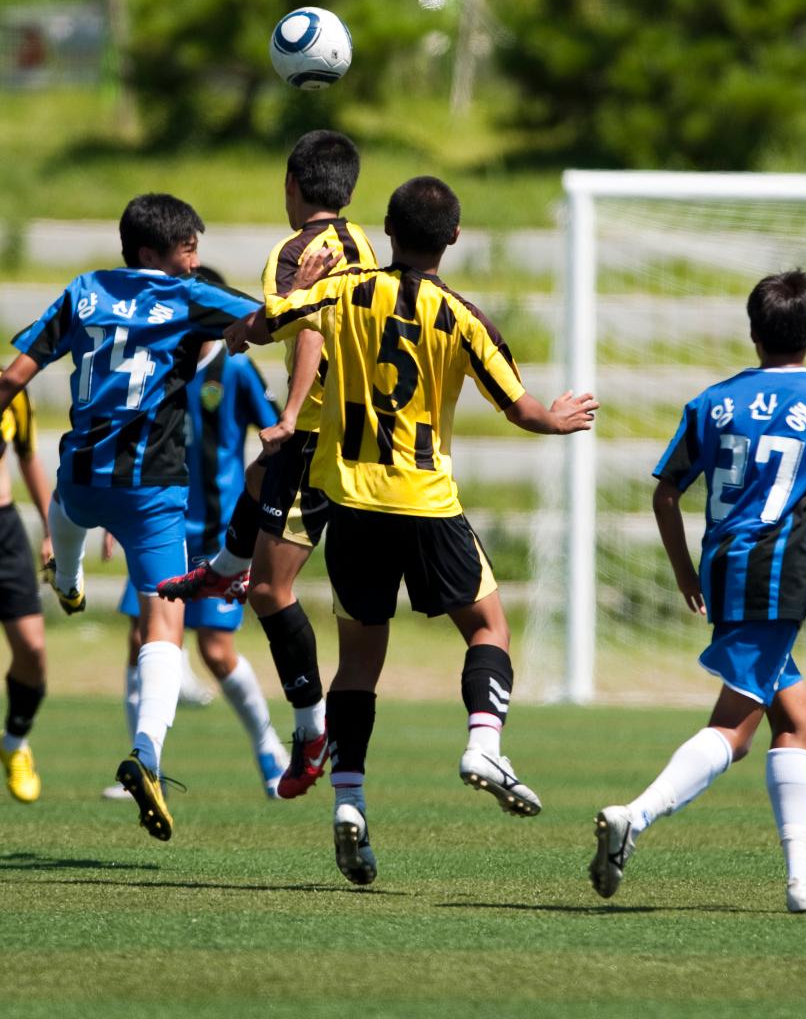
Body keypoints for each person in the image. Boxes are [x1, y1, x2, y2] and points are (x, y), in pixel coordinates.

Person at [222, 175, 598, 886]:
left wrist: (279, 298)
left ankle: (349, 801)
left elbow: (269, 322)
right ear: (453, 239)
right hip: (426, 506)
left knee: (359, 662)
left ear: (387, 232)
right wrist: (561, 416)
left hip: (354, 508)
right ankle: (482, 742)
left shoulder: (341, 291)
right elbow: (521, 410)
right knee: (487, 629)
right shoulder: (462, 316)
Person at [589, 270, 806, 914]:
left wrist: (684, 572)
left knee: (794, 719)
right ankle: (635, 816)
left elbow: (665, 492)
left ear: (753, 330)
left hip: (724, 569)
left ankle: (805, 876)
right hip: (779, 573)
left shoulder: (714, 401)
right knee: (735, 728)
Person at [0, 193, 260, 841]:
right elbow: (268, 319)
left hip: (84, 480)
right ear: (152, 255)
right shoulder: (188, 300)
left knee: (66, 508)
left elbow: (15, 376)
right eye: (187, 251)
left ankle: (65, 577)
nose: (195, 262)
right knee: (163, 620)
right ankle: (147, 753)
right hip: (152, 494)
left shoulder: (85, 291)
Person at [158, 130, 376, 800]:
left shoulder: (292, 253)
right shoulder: (362, 242)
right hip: (364, 427)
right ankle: (221, 569)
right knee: (258, 480)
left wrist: (279, 390)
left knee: (270, 592)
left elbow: (304, 324)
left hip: (315, 433)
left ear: (291, 185)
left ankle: (311, 732)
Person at [103, 267, 287, 803]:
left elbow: (275, 431)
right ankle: (145, 761)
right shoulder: (155, 365)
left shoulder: (235, 369)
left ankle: (268, 748)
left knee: (216, 650)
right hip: (155, 525)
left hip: (217, 537)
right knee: (141, 639)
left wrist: (262, 510)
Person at [0, 374, 53, 802]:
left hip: (5, 533)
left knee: (33, 651)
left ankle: (15, 741)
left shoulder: (9, 388)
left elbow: (28, 455)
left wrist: (52, 532)